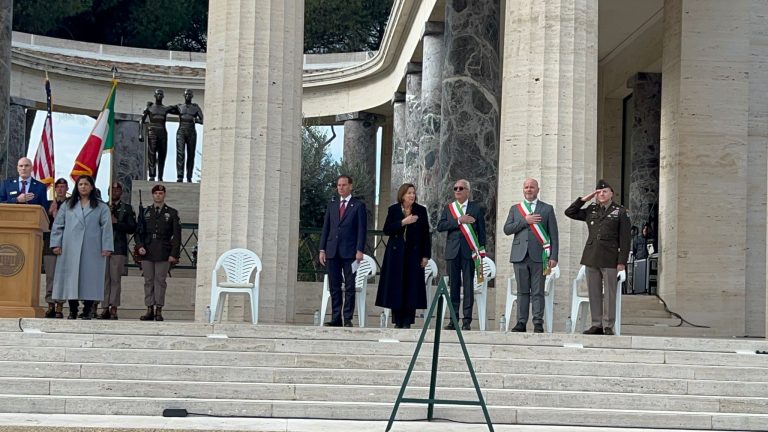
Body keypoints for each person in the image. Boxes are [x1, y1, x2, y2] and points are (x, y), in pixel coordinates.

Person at [565, 179, 631, 335]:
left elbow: (625, 239)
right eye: (598, 192)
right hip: (592, 256)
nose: (601, 194)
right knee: (593, 292)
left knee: (609, 293)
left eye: (605, 191)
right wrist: (584, 199)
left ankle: (608, 325)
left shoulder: (620, 211)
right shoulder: (591, 209)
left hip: (610, 257)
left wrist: (622, 261)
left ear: (611, 194)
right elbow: (570, 212)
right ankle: (597, 324)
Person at [50, 175, 114, 320]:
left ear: (92, 187)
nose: (83, 187)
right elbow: (58, 225)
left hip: (92, 248)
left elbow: (107, 228)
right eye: (80, 184)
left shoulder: (101, 206)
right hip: (70, 248)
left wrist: (107, 247)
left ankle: (87, 310)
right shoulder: (68, 205)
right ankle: (72, 309)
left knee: (90, 278)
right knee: (71, 278)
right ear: (76, 187)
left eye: (86, 184)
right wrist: (56, 244)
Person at [503, 178, 559, 333]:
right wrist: (525, 221)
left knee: (538, 291)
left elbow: (554, 235)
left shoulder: (547, 209)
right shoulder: (516, 209)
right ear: (523, 190)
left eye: (532, 187)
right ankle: (521, 322)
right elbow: (507, 229)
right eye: (526, 187)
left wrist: (554, 256)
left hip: (540, 256)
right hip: (519, 256)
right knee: (522, 291)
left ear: (537, 190)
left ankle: (538, 322)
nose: (529, 190)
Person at [375, 183, 431, 329]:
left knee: (411, 286)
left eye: (413, 193)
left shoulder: (421, 210)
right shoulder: (393, 210)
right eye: (409, 193)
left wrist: (426, 256)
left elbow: (426, 234)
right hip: (396, 255)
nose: (412, 195)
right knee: (396, 285)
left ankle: (407, 321)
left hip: (414, 254)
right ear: (402, 195)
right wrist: (403, 222)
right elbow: (387, 230)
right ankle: (397, 320)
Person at [436, 179, 487, 331]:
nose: (457, 190)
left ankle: (467, 321)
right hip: (453, 252)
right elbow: (440, 226)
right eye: (455, 188)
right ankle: (453, 319)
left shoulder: (476, 208)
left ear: (467, 191)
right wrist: (459, 220)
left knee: (468, 286)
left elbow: (481, 231)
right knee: (454, 286)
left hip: (469, 252)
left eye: (461, 188)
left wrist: (481, 250)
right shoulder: (449, 208)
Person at [318, 175, 367, 327]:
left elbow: (361, 230)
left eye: (344, 185)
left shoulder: (358, 205)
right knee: (334, 285)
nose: (341, 187)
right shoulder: (332, 205)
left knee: (350, 286)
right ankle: (336, 317)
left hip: (350, 252)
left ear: (350, 186)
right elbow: (326, 228)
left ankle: (348, 318)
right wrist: (322, 249)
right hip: (332, 251)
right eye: (339, 185)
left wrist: (360, 250)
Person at [135, 184, 181, 321]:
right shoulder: (146, 212)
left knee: (160, 281)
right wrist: (140, 246)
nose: (158, 196)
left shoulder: (172, 213)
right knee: (148, 281)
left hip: (163, 251)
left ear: (164, 195)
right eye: (156, 193)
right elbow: (139, 232)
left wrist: (174, 253)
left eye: (161, 193)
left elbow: (177, 235)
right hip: (147, 250)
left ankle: (159, 309)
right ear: (152, 195)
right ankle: (149, 308)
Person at [98, 182, 136, 320]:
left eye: (117, 190)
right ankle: (104, 307)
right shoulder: (102, 207)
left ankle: (113, 307)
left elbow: (132, 227)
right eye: (112, 190)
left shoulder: (126, 208)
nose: (114, 192)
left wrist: (117, 223)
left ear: (121, 192)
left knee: (115, 279)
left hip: (118, 247)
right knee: (104, 279)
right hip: (103, 247)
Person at [138, 89, 179, 181]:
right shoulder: (149, 108)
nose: (159, 96)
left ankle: (160, 176)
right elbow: (141, 120)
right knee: (151, 154)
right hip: (152, 131)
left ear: (163, 96)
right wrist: (140, 134)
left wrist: (181, 106)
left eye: (161, 94)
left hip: (162, 132)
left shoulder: (165, 108)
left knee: (162, 155)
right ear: (155, 96)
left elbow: (179, 111)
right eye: (158, 94)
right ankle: (152, 175)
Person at [43, 178, 69, 318]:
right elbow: (42, 224)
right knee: (50, 276)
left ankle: (60, 304)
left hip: (65, 244)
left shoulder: (71, 204)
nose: (59, 189)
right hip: (49, 244)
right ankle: (50, 304)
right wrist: (48, 214)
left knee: (62, 276)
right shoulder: (48, 204)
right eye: (57, 186)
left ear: (67, 188)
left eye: (62, 186)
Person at [175, 89, 204, 183]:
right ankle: (180, 176)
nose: (188, 96)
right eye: (186, 94)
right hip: (181, 131)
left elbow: (202, 120)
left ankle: (189, 176)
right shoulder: (179, 106)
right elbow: (165, 110)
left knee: (191, 155)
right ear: (184, 96)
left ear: (192, 96)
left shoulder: (195, 108)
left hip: (191, 131)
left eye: (190, 95)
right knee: (180, 154)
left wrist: (195, 120)